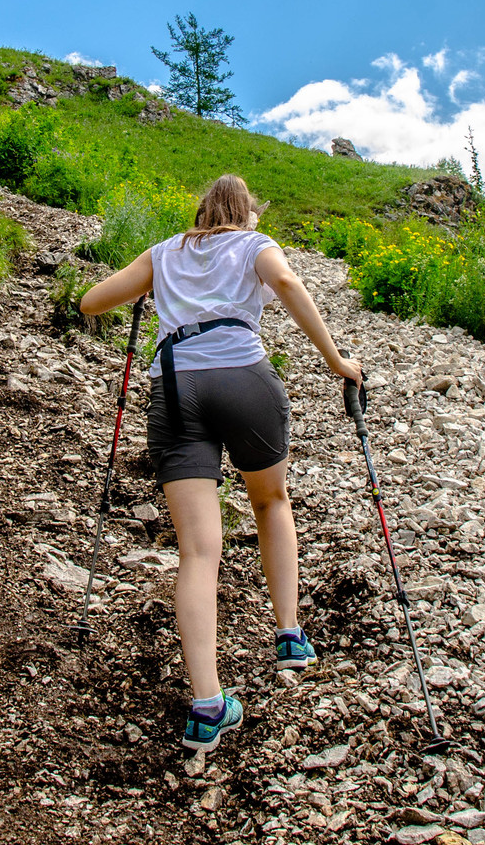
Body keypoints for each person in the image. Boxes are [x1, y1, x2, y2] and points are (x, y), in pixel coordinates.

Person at [79, 174, 363, 752]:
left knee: (198, 550)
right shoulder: (256, 247)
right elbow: (285, 281)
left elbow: (90, 302)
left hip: (176, 387)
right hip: (244, 379)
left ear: (202, 212)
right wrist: (337, 360)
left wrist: (152, 291)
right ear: (248, 213)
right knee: (270, 500)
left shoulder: (164, 253)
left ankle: (208, 706)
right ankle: (289, 636)